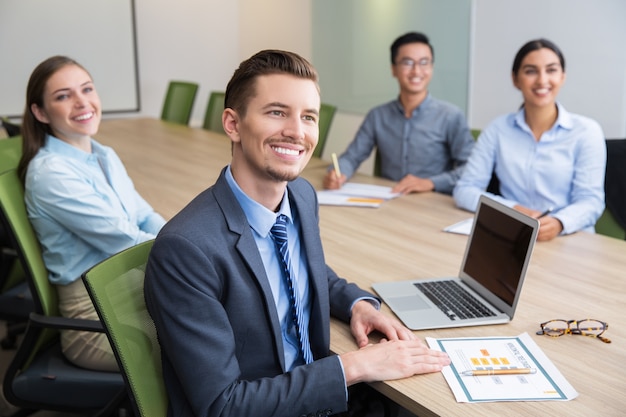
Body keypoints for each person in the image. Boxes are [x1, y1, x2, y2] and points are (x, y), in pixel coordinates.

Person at [144, 49, 450, 417]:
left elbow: (307, 268)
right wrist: (355, 366)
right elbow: (222, 406)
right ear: (233, 124)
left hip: (320, 395)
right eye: (277, 112)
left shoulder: (301, 195)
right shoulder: (186, 249)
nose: (297, 132)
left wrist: (358, 304)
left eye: (308, 117)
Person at [18, 55, 166, 371]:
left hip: (130, 292)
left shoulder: (103, 154)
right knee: (213, 344)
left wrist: (184, 242)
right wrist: (195, 256)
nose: (82, 102)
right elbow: (127, 241)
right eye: (63, 96)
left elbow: (144, 215)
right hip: (96, 321)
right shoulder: (51, 173)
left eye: (87, 89)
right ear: (40, 112)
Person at [453, 39, 606, 241]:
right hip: (515, 237)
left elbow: (591, 201)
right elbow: (465, 189)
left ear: (562, 76)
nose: (542, 80)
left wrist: (560, 222)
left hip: (571, 240)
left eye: (551, 70)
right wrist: (513, 210)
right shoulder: (498, 129)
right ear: (515, 79)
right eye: (530, 71)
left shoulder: (586, 132)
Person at [323, 31, 474, 195]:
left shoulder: (451, 116)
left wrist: (430, 183)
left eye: (424, 63)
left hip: (433, 202)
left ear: (432, 68)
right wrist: (337, 173)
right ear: (393, 69)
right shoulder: (377, 116)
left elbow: (470, 168)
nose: (416, 71)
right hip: (390, 199)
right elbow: (352, 157)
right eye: (407, 62)